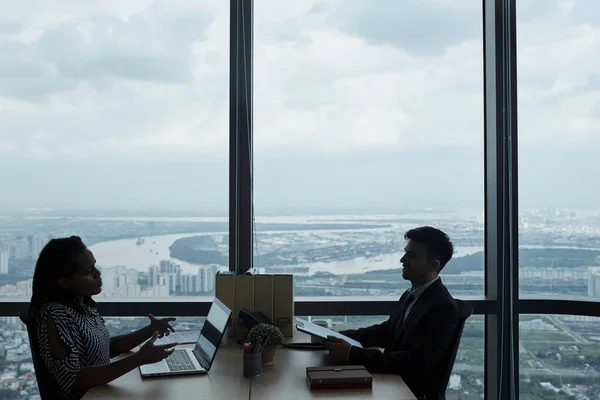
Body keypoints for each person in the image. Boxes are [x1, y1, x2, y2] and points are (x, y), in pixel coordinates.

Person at [29, 236, 179, 400]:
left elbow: (107, 347)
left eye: (94, 266)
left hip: (103, 393)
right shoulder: (54, 316)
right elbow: (74, 380)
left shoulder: (82, 304)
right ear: (64, 282)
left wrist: (151, 330)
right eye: (88, 271)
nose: (98, 273)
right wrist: (139, 359)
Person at [324, 226, 459, 399]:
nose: (402, 260)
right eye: (405, 253)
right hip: (392, 381)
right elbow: (387, 331)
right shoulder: (413, 294)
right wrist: (337, 336)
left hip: (407, 391)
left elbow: (416, 362)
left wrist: (352, 353)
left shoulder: (442, 307)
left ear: (434, 265)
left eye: (411, 256)